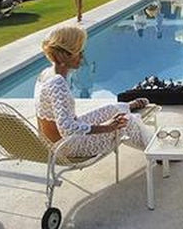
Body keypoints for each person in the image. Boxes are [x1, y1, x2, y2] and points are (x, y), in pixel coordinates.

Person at [34, 25, 153, 158]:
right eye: (79, 52)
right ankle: (156, 151)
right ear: (66, 55)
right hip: (67, 147)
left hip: (56, 142)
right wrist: (107, 127)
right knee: (126, 121)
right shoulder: (57, 83)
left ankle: (127, 106)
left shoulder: (45, 74)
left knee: (112, 109)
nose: (83, 57)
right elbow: (67, 129)